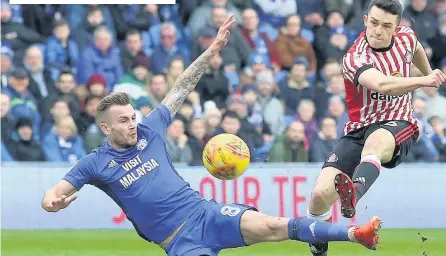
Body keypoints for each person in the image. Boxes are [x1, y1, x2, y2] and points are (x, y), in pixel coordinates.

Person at [41, 15, 381, 256]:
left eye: (133, 116)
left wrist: (213, 49)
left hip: (206, 214)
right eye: (124, 121)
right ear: (105, 128)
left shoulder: (151, 127)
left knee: (274, 226)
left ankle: (354, 234)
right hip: (179, 242)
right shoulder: (95, 162)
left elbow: (182, 85)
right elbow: (55, 191)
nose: (132, 123)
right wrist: (52, 202)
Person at [306, 0, 446, 256]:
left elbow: (416, 47)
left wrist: (427, 71)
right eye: (373, 23)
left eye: (386, 26)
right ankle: (319, 248)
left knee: (375, 144)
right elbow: (382, 84)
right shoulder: (354, 57)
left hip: (399, 122)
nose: (378, 30)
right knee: (318, 196)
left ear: (396, 28)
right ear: (365, 21)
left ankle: (355, 193)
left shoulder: (406, 37)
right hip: (358, 129)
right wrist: (424, 80)